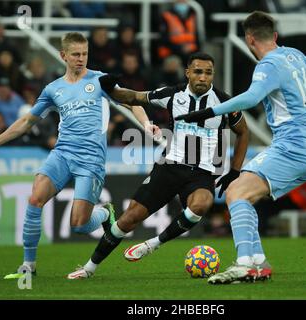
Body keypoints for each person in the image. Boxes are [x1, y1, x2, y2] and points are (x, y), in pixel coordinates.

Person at [0, 32, 158, 278]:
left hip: (90, 160)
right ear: (63, 56)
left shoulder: (100, 80)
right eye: (75, 54)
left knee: (79, 225)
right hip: (62, 153)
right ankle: (28, 267)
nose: (81, 59)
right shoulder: (53, 89)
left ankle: (105, 213)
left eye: (84, 54)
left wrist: (146, 125)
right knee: (34, 200)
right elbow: (27, 121)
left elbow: (132, 101)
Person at [172, 11, 306, 284]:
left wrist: (208, 111)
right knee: (242, 193)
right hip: (305, 149)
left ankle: (245, 263)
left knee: (236, 192)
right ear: (274, 36)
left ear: (249, 40)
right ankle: (258, 263)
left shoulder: (267, 65)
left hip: (292, 149)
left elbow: (251, 98)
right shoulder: (294, 55)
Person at [67, 52, 249, 279]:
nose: (203, 77)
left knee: (202, 204)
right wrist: (111, 87)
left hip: (201, 173)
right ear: (188, 73)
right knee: (130, 218)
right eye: (198, 71)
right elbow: (134, 97)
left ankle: (153, 243)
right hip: (170, 166)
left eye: (208, 73)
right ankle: (89, 267)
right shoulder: (172, 95)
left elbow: (243, 132)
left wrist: (234, 170)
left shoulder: (225, 102)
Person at [157, 0, 200, 64]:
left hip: (190, 52)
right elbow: (163, 39)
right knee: (174, 63)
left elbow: (196, 38)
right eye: (179, 1)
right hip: (171, 52)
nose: (182, 3)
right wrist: (181, 48)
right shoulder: (166, 15)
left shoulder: (192, 14)